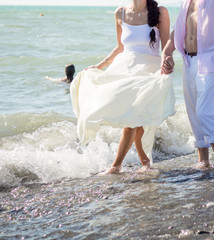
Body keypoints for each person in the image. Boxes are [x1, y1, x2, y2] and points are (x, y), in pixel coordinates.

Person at [70, 0, 175, 173]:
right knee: (134, 118)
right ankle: (144, 162)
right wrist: (98, 66)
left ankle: (116, 166)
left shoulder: (160, 12)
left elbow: (166, 47)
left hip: (148, 74)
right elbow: (120, 47)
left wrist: (168, 61)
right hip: (125, 70)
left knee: (133, 120)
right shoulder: (120, 13)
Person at [161, 0, 214, 171]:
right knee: (193, 113)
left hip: (212, 60)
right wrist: (166, 53)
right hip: (188, 61)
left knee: (205, 112)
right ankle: (203, 162)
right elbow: (179, 28)